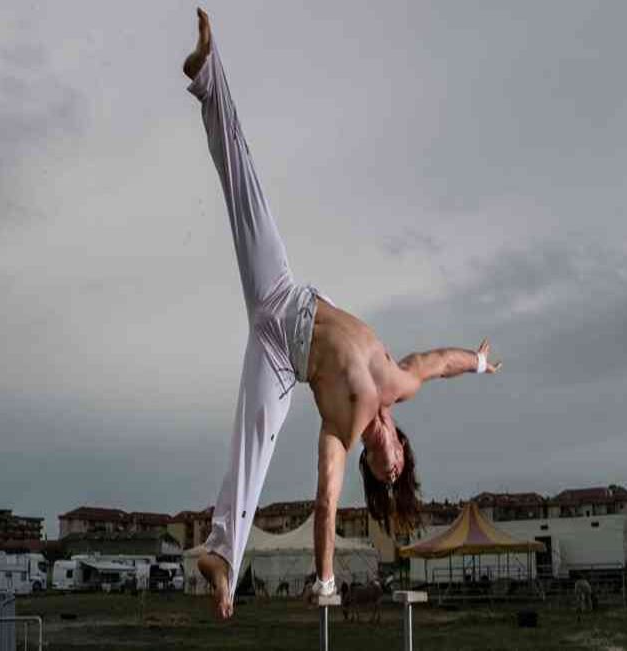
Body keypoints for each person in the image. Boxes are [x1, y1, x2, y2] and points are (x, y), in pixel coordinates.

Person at [183, 8, 502, 619]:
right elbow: (440, 362)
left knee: (253, 442)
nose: (390, 466)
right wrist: (481, 362)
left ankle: (222, 560)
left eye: (384, 476)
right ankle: (208, 75)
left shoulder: (340, 432)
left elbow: (325, 505)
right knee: (245, 189)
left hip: (281, 360)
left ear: (374, 468)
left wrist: (325, 578)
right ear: (401, 448)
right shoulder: (397, 380)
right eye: (399, 465)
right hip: (287, 296)